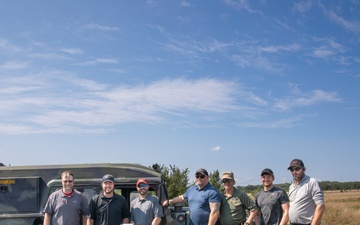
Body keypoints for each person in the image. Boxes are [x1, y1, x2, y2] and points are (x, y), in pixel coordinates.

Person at [287, 159, 325, 225]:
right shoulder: (291, 186)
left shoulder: (312, 182)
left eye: (297, 169)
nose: (294, 172)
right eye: (292, 170)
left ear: (304, 169)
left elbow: (321, 206)